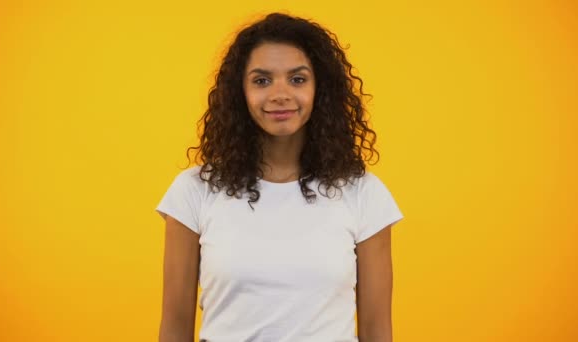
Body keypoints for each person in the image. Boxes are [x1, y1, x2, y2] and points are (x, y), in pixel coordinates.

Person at [155, 12, 404, 342]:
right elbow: (174, 328)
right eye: (261, 80)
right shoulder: (194, 191)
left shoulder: (364, 194)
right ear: (239, 93)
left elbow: (377, 331)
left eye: (298, 79)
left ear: (321, 90)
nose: (280, 94)